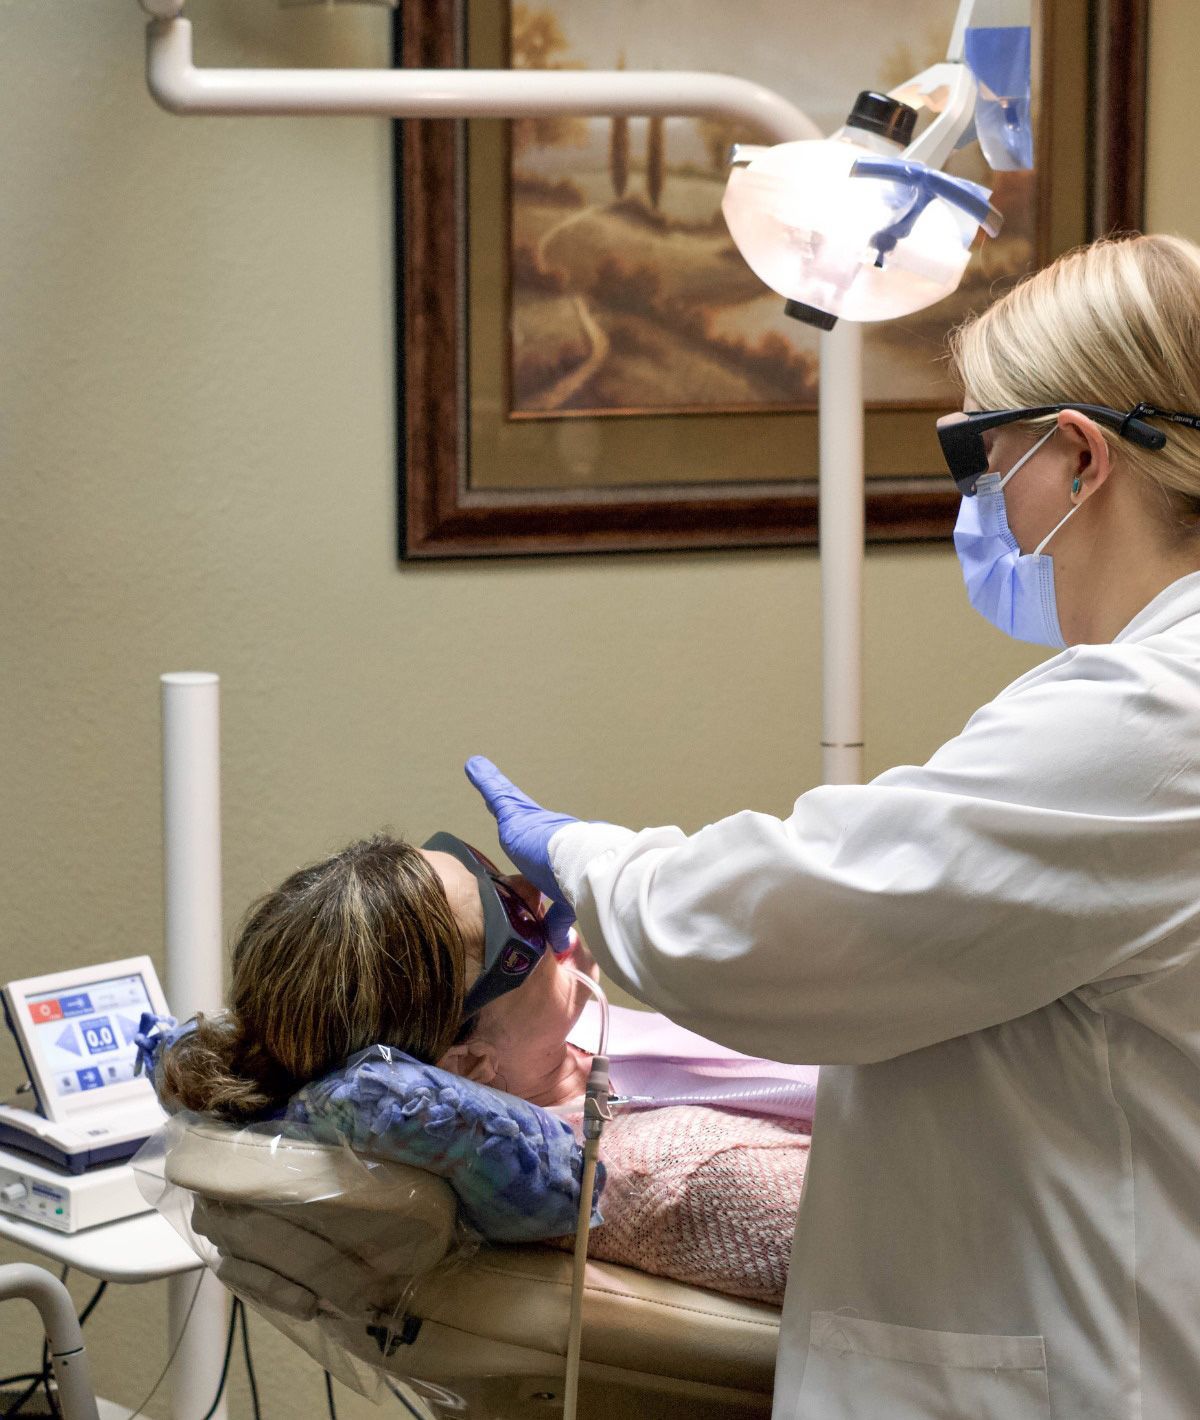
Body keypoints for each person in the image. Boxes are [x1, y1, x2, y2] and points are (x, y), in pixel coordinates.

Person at [466, 234, 1200, 1420]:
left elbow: (783, 925)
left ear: (1077, 458)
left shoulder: (1151, 719)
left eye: (981, 453)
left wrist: (593, 860)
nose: (975, 502)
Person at [157, 832, 812, 1305]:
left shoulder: (568, 1047)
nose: (540, 894)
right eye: (513, 919)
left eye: (491, 872)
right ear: (465, 1061)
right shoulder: (691, 1178)